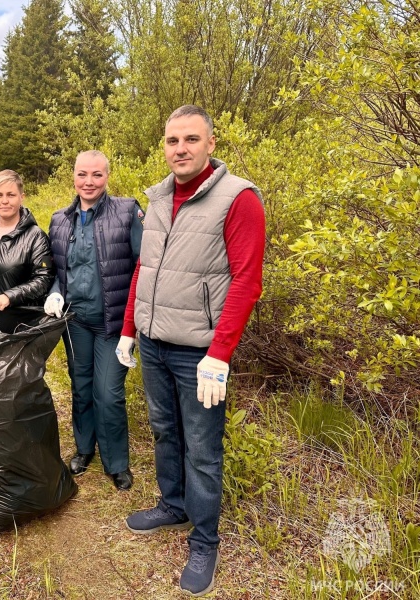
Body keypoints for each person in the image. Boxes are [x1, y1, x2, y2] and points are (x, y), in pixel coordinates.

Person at [117, 105, 265, 596]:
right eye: (172, 140)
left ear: (211, 143)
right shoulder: (158, 198)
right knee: (164, 431)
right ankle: (173, 505)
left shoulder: (237, 198)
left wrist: (220, 353)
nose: (180, 149)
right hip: (155, 343)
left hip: (198, 354)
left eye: (190, 140)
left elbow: (246, 281)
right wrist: (129, 329)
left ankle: (205, 539)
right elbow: (145, 268)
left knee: (202, 448)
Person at [44, 150, 144, 491]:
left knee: (109, 393)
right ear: (73, 176)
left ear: (107, 176)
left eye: (97, 175)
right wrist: (56, 291)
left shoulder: (127, 212)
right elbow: (58, 270)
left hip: (113, 324)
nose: (89, 182)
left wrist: (133, 326)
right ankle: (84, 449)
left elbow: (142, 267)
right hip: (76, 322)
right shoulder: (59, 219)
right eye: (83, 174)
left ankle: (116, 462)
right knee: (81, 387)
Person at [0, 169, 54, 309]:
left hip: (20, 320)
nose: (4, 201)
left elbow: (44, 279)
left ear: (22, 197)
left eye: (11, 195)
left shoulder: (36, 237)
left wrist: (9, 296)